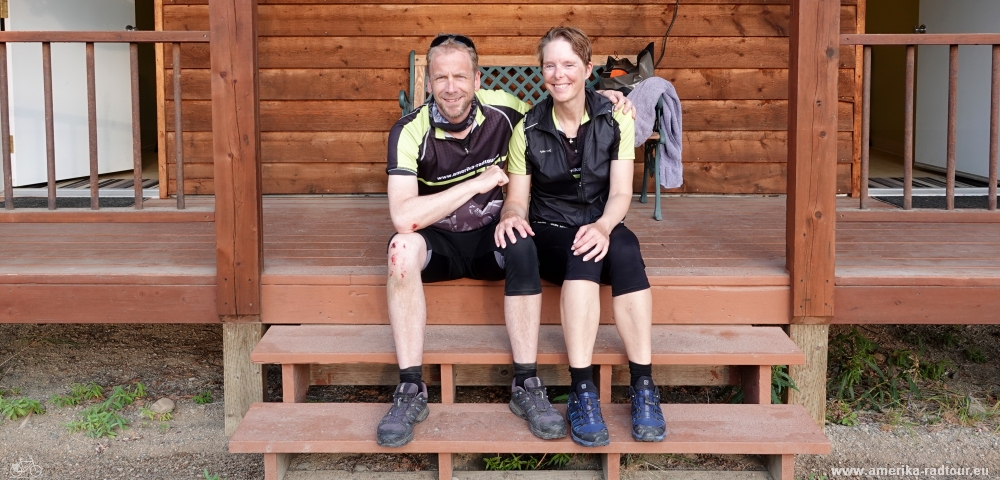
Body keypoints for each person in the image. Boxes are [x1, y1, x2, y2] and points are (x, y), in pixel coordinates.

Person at [379, 33, 632, 447]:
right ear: (428, 83)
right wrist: (475, 184)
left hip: (489, 240)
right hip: (436, 242)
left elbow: (562, 102)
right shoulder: (408, 130)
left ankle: (526, 383)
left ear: (478, 80)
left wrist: (603, 95)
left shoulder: (508, 111)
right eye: (440, 78)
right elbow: (404, 217)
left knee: (523, 240)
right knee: (399, 249)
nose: (451, 87)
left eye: (460, 76)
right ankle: (410, 388)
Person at [498, 26, 666, 447]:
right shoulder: (529, 129)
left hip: (601, 218)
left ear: (588, 69)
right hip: (552, 229)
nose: (559, 74)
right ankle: (582, 389)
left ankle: (644, 386)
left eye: (569, 64)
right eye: (550, 65)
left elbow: (623, 191)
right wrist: (510, 216)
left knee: (626, 248)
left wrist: (606, 226)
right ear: (541, 71)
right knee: (583, 251)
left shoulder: (616, 116)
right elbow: (518, 199)